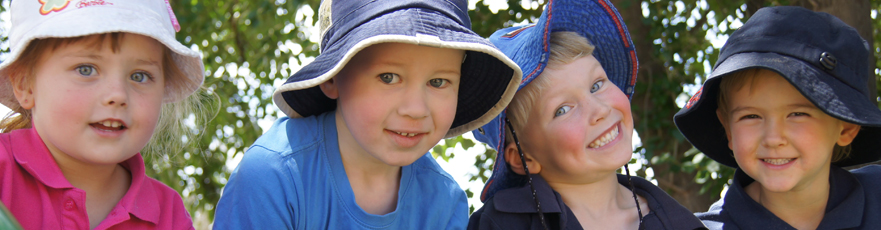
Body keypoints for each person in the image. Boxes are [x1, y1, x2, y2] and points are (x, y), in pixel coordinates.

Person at [212, 0, 522, 229]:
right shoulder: (274, 176)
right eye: (388, 77)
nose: (415, 109)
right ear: (333, 77)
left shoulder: (443, 201)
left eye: (438, 82)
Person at [674, 6, 881, 229]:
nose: (773, 138)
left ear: (846, 126)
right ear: (727, 129)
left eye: (797, 114)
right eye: (750, 116)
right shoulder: (705, 228)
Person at [467, 0, 706, 229]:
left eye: (597, 85)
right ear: (523, 159)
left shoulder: (680, 222)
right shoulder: (499, 224)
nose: (600, 110)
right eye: (563, 110)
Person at [0, 0, 206, 229]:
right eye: (86, 69)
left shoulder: (168, 213)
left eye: (139, 76)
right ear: (24, 84)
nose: (118, 95)